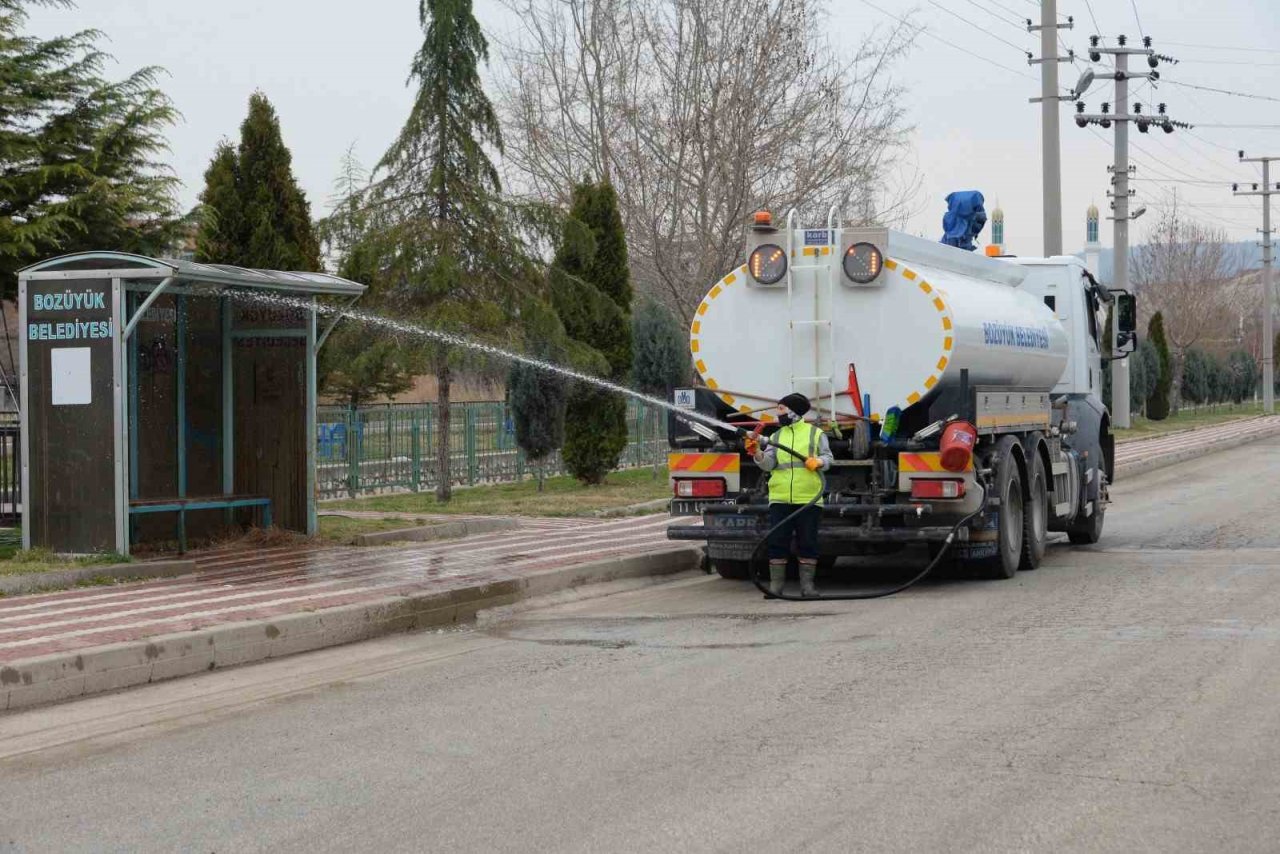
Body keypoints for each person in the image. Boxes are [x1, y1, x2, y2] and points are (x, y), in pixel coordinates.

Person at [746, 393, 832, 599]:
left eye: (782, 409)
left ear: (794, 411)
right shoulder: (776, 437)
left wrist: (819, 462)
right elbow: (770, 464)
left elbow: (828, 457)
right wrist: (757, 453)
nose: (779, 413)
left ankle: (807, 587)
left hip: (808, 498)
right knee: (777, 541)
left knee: (808, 542)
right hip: (780, 498)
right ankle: (776, 587)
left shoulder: (815, 434)